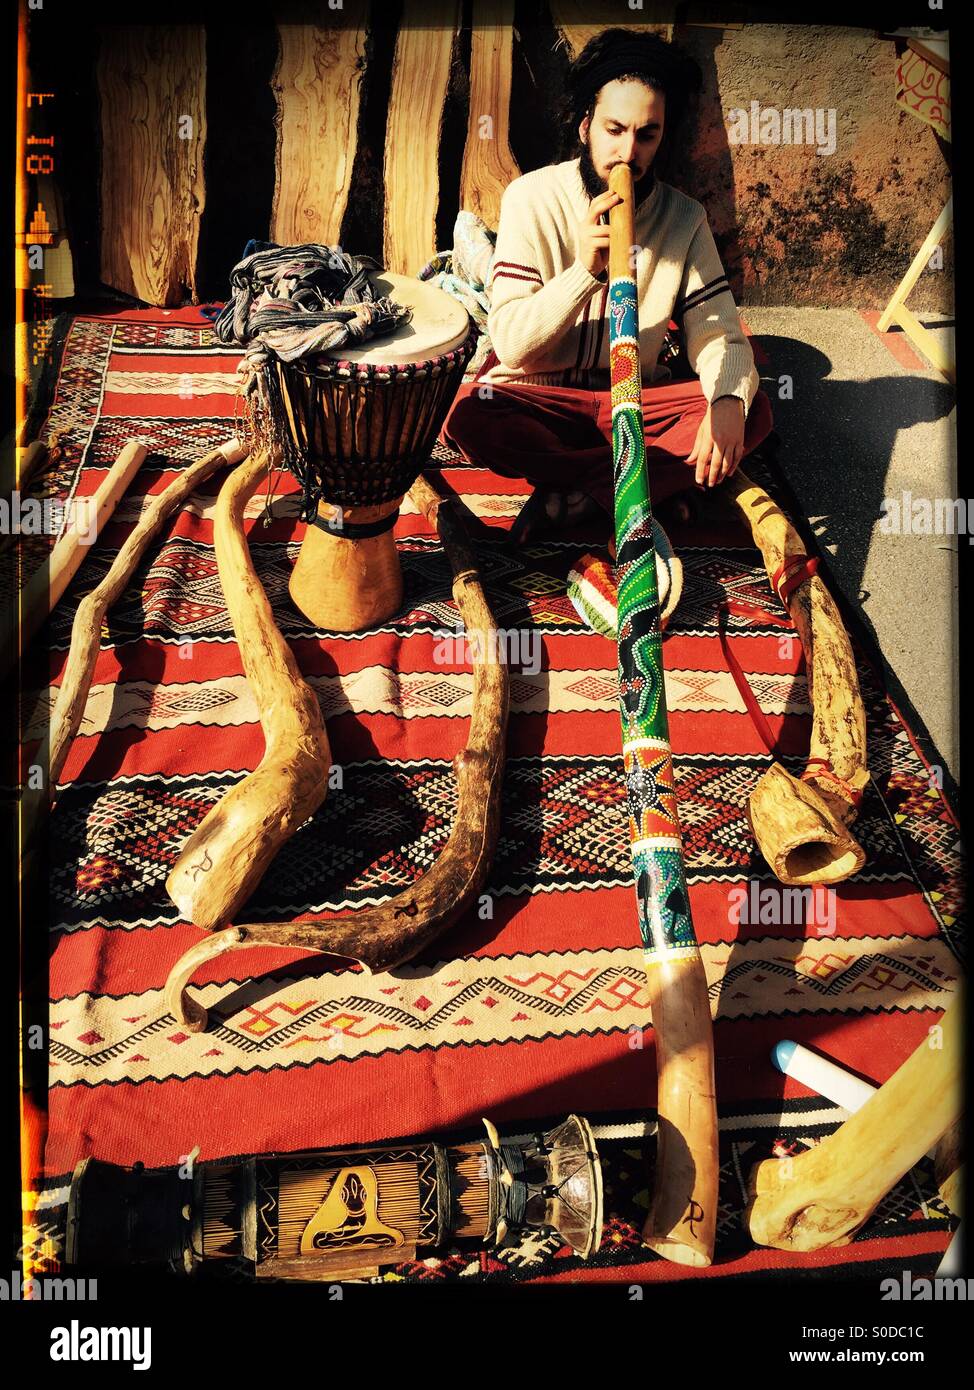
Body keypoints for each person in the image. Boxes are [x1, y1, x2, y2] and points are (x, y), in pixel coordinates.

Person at [440, 27, 773, 543]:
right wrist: (582, 275)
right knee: (470, 414)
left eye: (646, 135)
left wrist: (727, 404)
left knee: (750, 413)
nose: (628, 153)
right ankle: (648, 489)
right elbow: (510, 343)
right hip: (547, 400)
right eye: (614, 130)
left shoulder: (684, 219)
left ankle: (577, 499)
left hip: (638, 404)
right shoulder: (532, 199)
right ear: (585, 126)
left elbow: (720, 335)